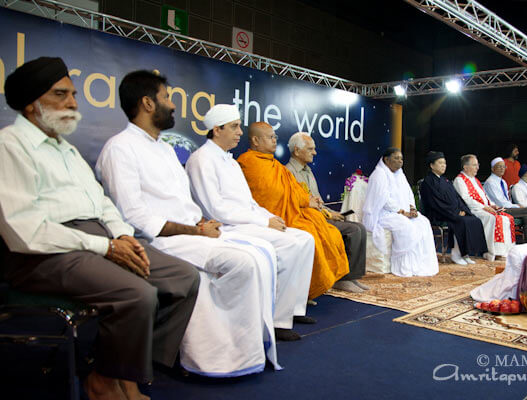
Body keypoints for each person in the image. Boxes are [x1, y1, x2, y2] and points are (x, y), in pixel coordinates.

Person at [0, 58, 199, 400]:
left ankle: (132, 370)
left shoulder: (68, 150)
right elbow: (24, 230)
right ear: (32, 103)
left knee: (184, 277)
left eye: (74, 94)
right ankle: (105, 382)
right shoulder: (9, 146)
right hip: (45, 252)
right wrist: (105, 247)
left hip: (96, 240)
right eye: (61, 94)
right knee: (137, 293)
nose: (73, 103)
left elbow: (103, 204)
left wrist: (121, 235)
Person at [96, 71, 281, 376]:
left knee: (261, 253)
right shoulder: (120, 148)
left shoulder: (165, 148)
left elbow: (184, 204)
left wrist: (201, 222)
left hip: (190, 234)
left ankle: (237, 349)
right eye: (167, 97)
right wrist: (196, 230)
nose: (172, 105)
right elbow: (134, 217)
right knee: (243, 262)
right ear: (147, 103)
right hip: (158, 241)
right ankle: (208, 356)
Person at [185, 104, 316, 342]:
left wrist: (269, 217)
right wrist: (263, 221)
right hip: (226, 227)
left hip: (247, 221)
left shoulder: (231, 162)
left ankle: (292, 310)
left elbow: (250, 202)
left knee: (305, 239)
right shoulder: (201, 160)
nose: (239, 133)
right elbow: (216, 209)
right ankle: (276, 320)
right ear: (217, 129)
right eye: (234, 127)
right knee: (289, 244)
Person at [237, 122, 349, 300]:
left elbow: (295, 191)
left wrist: (308, 201)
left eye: (275, 137)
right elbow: (267, 195)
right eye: (270, 137)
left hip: (292, 212)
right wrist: (305, 202)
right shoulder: (247, 163)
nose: (275, 141)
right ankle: (302, 294)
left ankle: (307, 291)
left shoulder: (276, 166)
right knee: (310, 234)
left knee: (327, 230)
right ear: (256, 140)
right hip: (274, 217)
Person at [285, 132, 368, 293]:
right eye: (310, 149)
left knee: (360, 227)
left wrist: (332, 213)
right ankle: (341, 279)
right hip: (308, 220)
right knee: (353, 230)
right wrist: (328, 215)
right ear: (296, 151)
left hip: (321, 215)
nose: (314, 153)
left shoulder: (308, 171)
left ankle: (352, 276)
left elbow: (318, 201)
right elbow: (298, 204)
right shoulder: (288, 172)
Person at [362, 148, 439, 276]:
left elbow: (409, 194)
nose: (400, 161)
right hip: (383, 214)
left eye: (401, 158)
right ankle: (403, 266)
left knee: (423, 222)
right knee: (406, 226)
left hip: (403, 212)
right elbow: (384, 200)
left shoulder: (400, 174)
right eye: (396, 158)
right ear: (386, 160)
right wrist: (403, 212)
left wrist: (412, 209)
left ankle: (419, 264)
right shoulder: (379, 175)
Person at [420, 151, 488, 265]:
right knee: (461, 221)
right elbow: (435, 203)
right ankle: (456, 254)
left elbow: (458, 198)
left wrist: (463, 210)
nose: (443, 166)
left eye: (444, 163)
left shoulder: (446, 181)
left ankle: (466, 253)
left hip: (451, 212)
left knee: (474, 219)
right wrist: (455, 212)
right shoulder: (428, 182)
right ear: (432, 165)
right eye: (440, 163)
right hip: (438, 213)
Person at [453, 154, 515, 261]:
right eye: (474, 165)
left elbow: (484, 196)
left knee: (506, 218)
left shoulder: (474, 180)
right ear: (465, 167)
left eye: (477, 165)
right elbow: (466, 199)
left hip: (481, 207)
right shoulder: (460, 180)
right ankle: (490, 252)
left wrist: (492, 205)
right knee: (492, 218)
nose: (477, 168)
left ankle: (505, 251)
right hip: (471, 209)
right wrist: (484, 207)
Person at [483, 157, 527, 245]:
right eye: (499, 167)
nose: (502, 169)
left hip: (508, 207)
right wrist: (516, 206)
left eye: (503, 167)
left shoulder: (503, 181)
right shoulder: (490, 182)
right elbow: (500, 202)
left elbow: (507, 200)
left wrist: (515, 206)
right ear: (493, 169)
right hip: (499, 209)